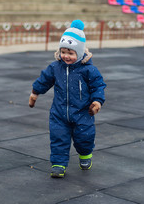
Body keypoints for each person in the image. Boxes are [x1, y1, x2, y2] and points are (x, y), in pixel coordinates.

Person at [29, 20, 106, 178]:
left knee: (84, 137)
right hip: (59, 113)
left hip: (83, 113)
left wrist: (97, 101)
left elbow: (98, 86)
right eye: (63, 52)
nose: (66, 56)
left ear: (79, 53)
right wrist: (35, 92)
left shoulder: (88, 70)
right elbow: (44, 80)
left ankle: (85, 154)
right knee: (58, 137)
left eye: (71, 53)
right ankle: (58, 164)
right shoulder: (55, 67)